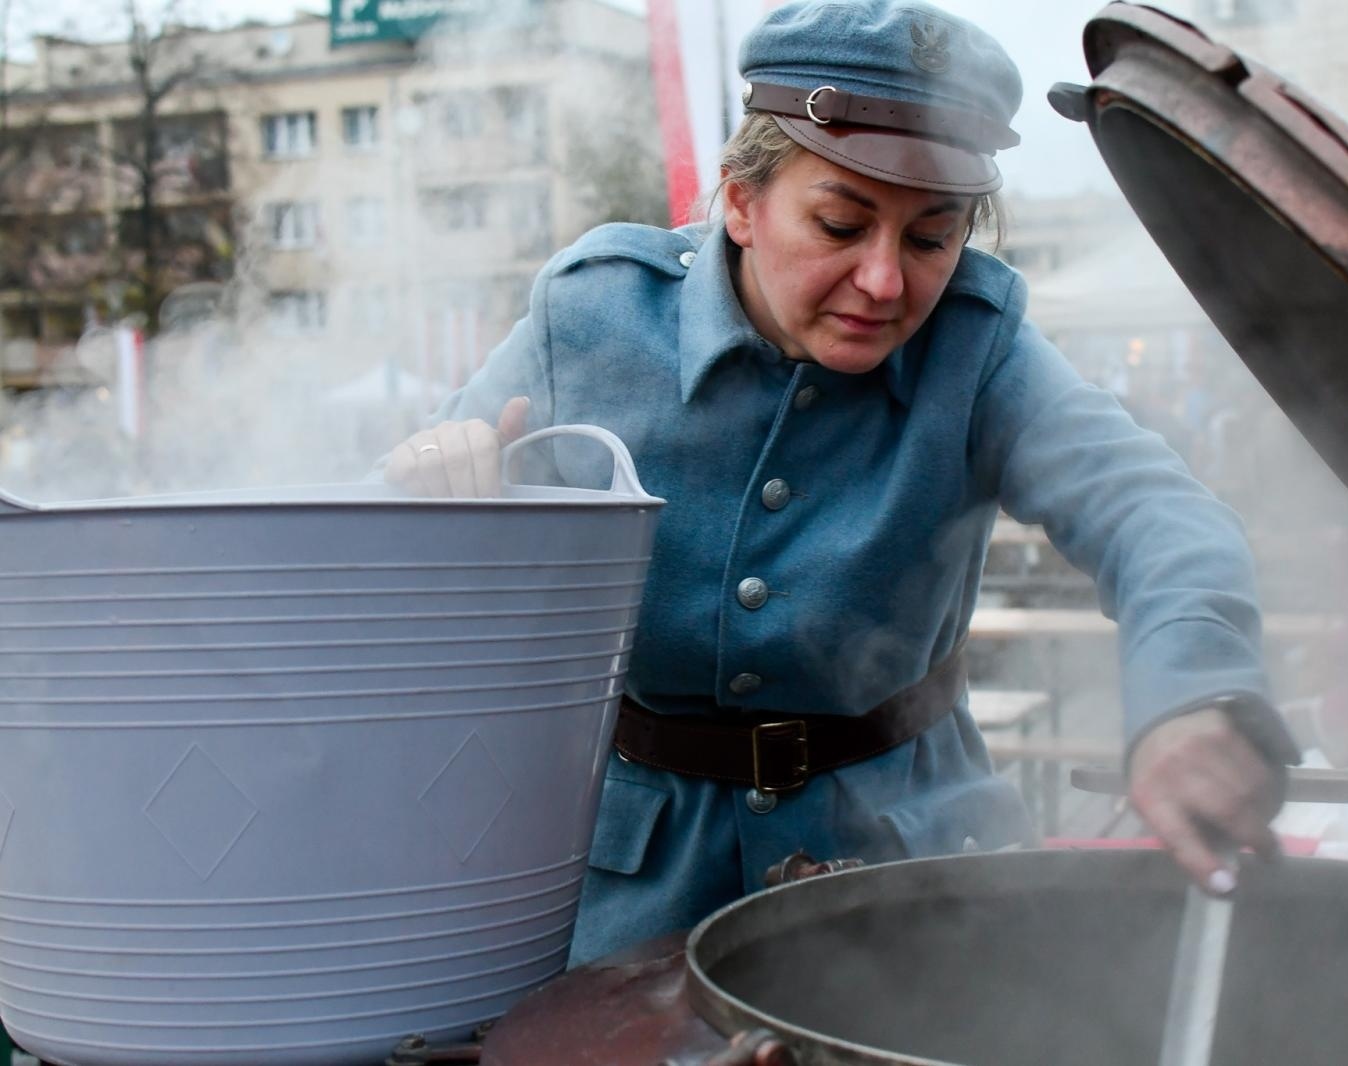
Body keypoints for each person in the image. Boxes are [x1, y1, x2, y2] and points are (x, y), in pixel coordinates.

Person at [384, 0, 1300, 966]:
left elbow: (1154, 515)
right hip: (634, 885)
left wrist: (1193, 696)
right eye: (840, 223)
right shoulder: (592, 318)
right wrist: (423, 491)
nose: (884, 283)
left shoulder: (979, 348)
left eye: (930, 238)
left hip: (913, 866)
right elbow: (370, 539)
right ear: (740, 201)